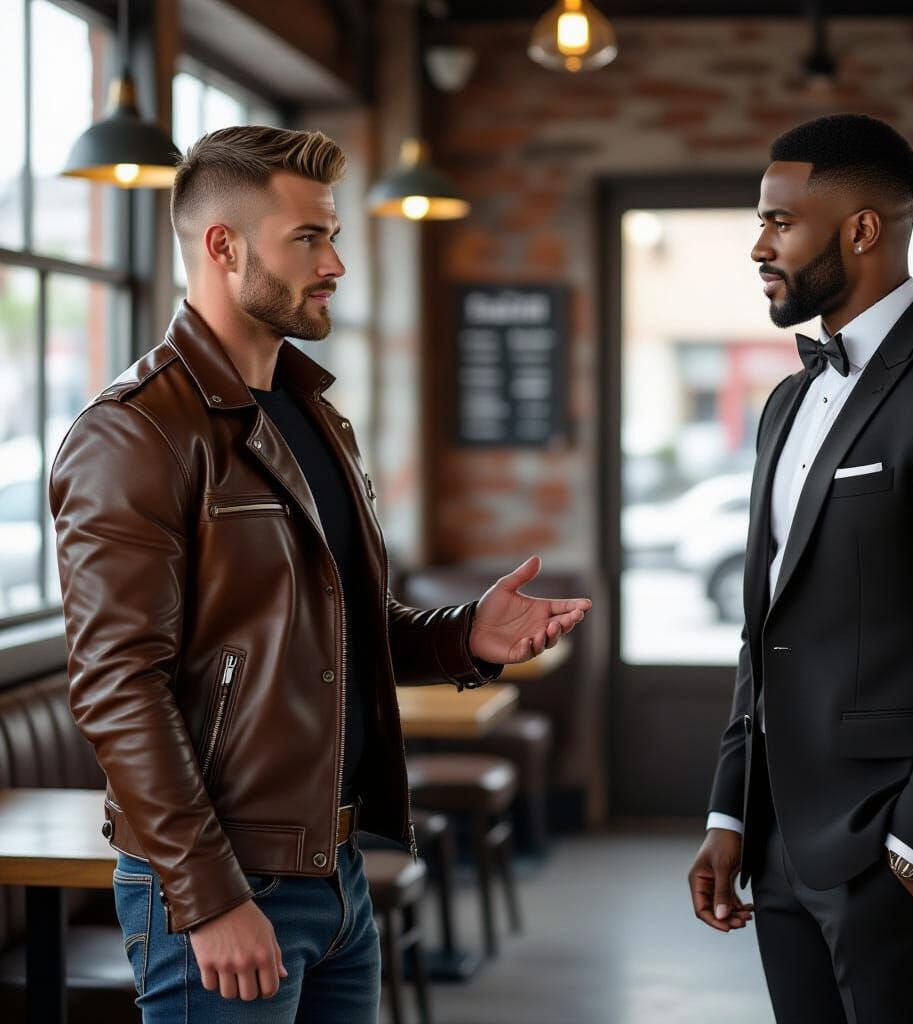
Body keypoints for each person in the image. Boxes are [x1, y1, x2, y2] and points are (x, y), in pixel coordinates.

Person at [49, 124, 592, 1023]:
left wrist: (465, 634)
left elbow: (339, 626)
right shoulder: (136, 431)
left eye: (333, 235)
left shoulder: (314, 414)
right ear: (223, 248)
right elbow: (117, 688)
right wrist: (210, 897)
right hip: (221, 887)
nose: (336, 263)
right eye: (310, 237)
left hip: (335, 874)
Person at [687, 113, 913, 1023]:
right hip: (779, 847)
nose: (759, 246)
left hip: (894, 855)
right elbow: (768, 632)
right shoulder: (786, 401)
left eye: (779, 223)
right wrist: (730, 815)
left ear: (863, 229)